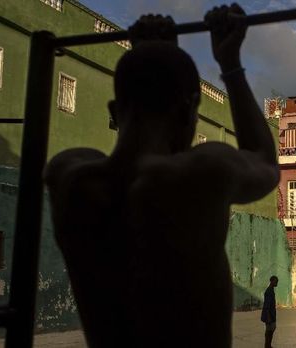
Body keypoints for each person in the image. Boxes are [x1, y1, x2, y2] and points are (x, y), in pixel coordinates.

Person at [44, 5, 280, 347]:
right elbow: (265, 162)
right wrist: (230, 64)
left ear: (114, 111)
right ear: (189, 110)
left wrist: (150, 55)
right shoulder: (203, 173)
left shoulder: (69, 177)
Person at [262, 276, 278, 348]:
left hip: (271, 315)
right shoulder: (269, 291)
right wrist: (268, 318)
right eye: (275, 281)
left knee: (270, 330)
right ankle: (267, 345)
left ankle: (268, 345)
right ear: (271, 281)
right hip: (269, 315)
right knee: (269, 331)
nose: (277, 283)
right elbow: (267, 306)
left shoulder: (271, 290)